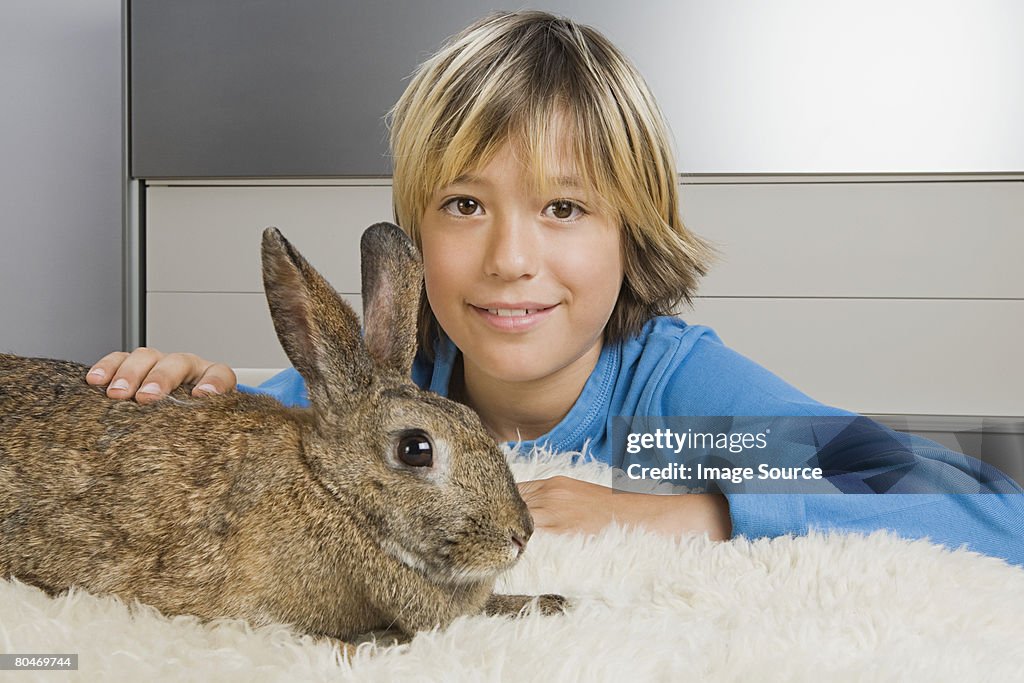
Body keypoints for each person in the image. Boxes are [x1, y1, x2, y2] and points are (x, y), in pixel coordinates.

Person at [87, 11, 1023, 563]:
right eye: (463, 204)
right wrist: (183, 409)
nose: (508, 258)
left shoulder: (673, 406)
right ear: (413, 238)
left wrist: (687, 510)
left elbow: (990, 511)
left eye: (565, 208)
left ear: (632, 230)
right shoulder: (390, 385)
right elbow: (244, 453)